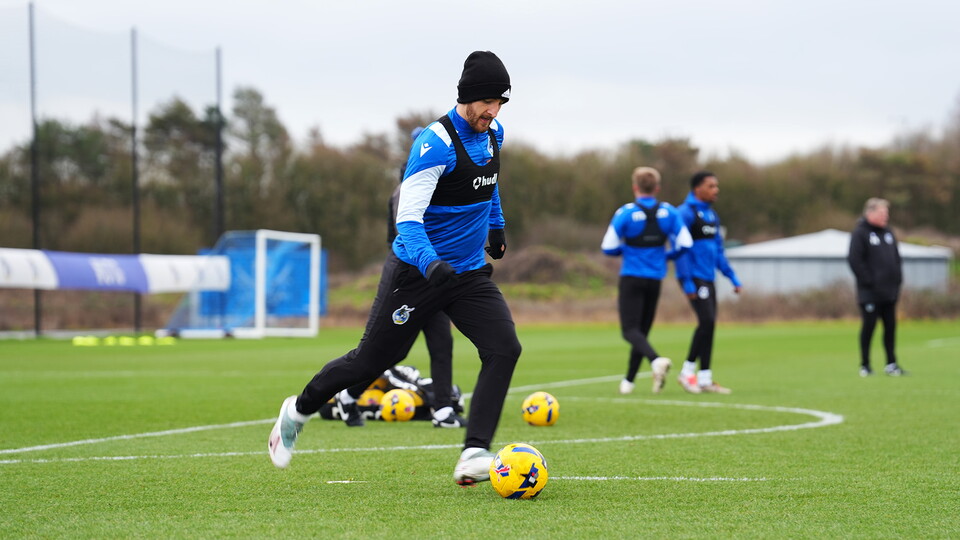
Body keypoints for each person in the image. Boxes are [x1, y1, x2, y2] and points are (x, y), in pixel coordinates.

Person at [268, 51, 521, 487]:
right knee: (369, 362)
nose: (493, 111)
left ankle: (473, 452)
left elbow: (490, 182)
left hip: (466, 274)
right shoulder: (434, 144)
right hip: (416, 274)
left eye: (500, 103)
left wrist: (496, 227)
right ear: (466, 97)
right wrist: (430, 263)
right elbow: (408, 220)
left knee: (504, 348)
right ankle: (297, 411)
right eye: (487, 102)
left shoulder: (494, 132)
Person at [331, 127, 466, 430]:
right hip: (408, 277)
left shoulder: (444, 176)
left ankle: (443, 410)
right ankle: (349, 396)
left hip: (434, 276)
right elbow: (404, 234)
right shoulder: (408, 185)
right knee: (387, 349)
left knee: (442, 342)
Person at [601, 166, 692, 394]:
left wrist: (627, 252)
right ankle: (629, 382)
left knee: (630, 331)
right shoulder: (670, 212)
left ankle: (655, 360)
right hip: (655, 279)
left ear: (635, 187)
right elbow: (686, 243)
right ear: (657, 188)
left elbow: (608, 247)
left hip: (632, 276)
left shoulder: (626, 213)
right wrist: (666, 256)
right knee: (641, 331)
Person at [674, 171, 742, 394]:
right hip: (694, 277)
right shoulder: (685, 213)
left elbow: (718, 250)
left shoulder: (712, 216)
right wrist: (687, 282)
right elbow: (680, 249)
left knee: (710, 325)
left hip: (708, 277)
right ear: (698, 189)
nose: (716, 190)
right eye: (711, 186)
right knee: (706, 321)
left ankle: (705, 378)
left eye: (716, 186)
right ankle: (686, 373)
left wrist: (731, 276)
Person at [847, 197, 905, 377]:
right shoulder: (860, 233)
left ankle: (891, 364)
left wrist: (897, 280)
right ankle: (865, 365)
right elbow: (855, 260)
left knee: (890, 327)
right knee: (869, 327)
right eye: (882, 213)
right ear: (870, 213)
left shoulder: (888, 233)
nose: (885, 216)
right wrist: (870, 282)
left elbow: (896, 258)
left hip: (890, 292)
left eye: (886, 213)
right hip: (870, 293)